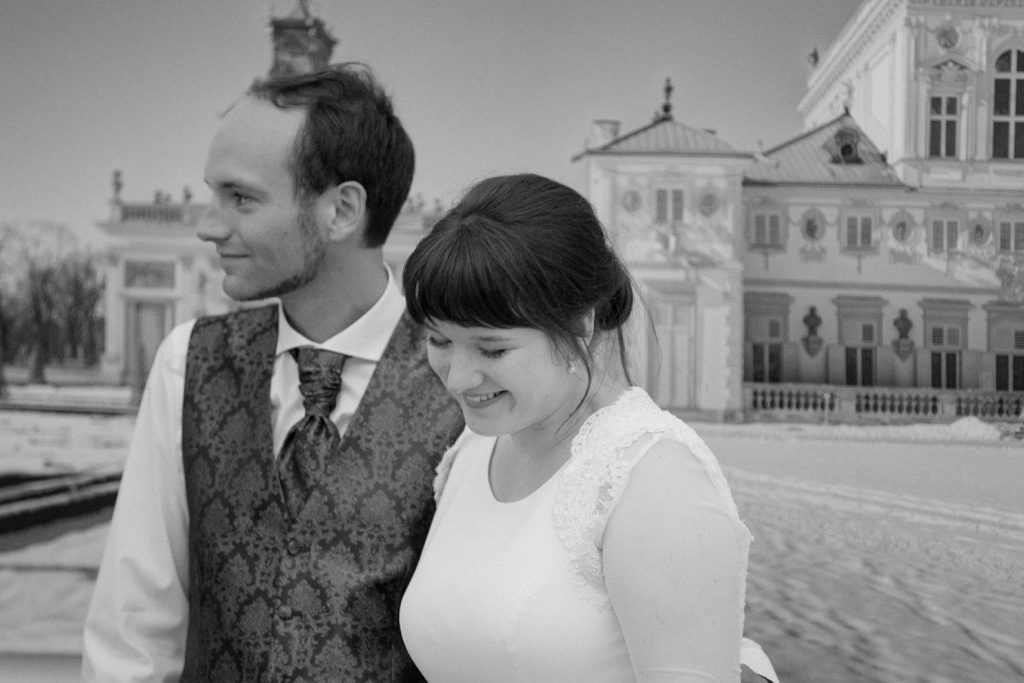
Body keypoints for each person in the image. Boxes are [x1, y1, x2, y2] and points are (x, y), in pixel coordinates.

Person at [83, 64, 464, 682]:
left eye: (241, 198)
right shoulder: (189, 364)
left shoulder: (467, 381)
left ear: (341, 210)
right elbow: (133, 630)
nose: (208, 225)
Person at [398, 174, 777, 682]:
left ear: (581, 321)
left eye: (492, 349)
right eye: (439, 341)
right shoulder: (470, 451)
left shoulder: (653, 482)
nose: (459, 377)